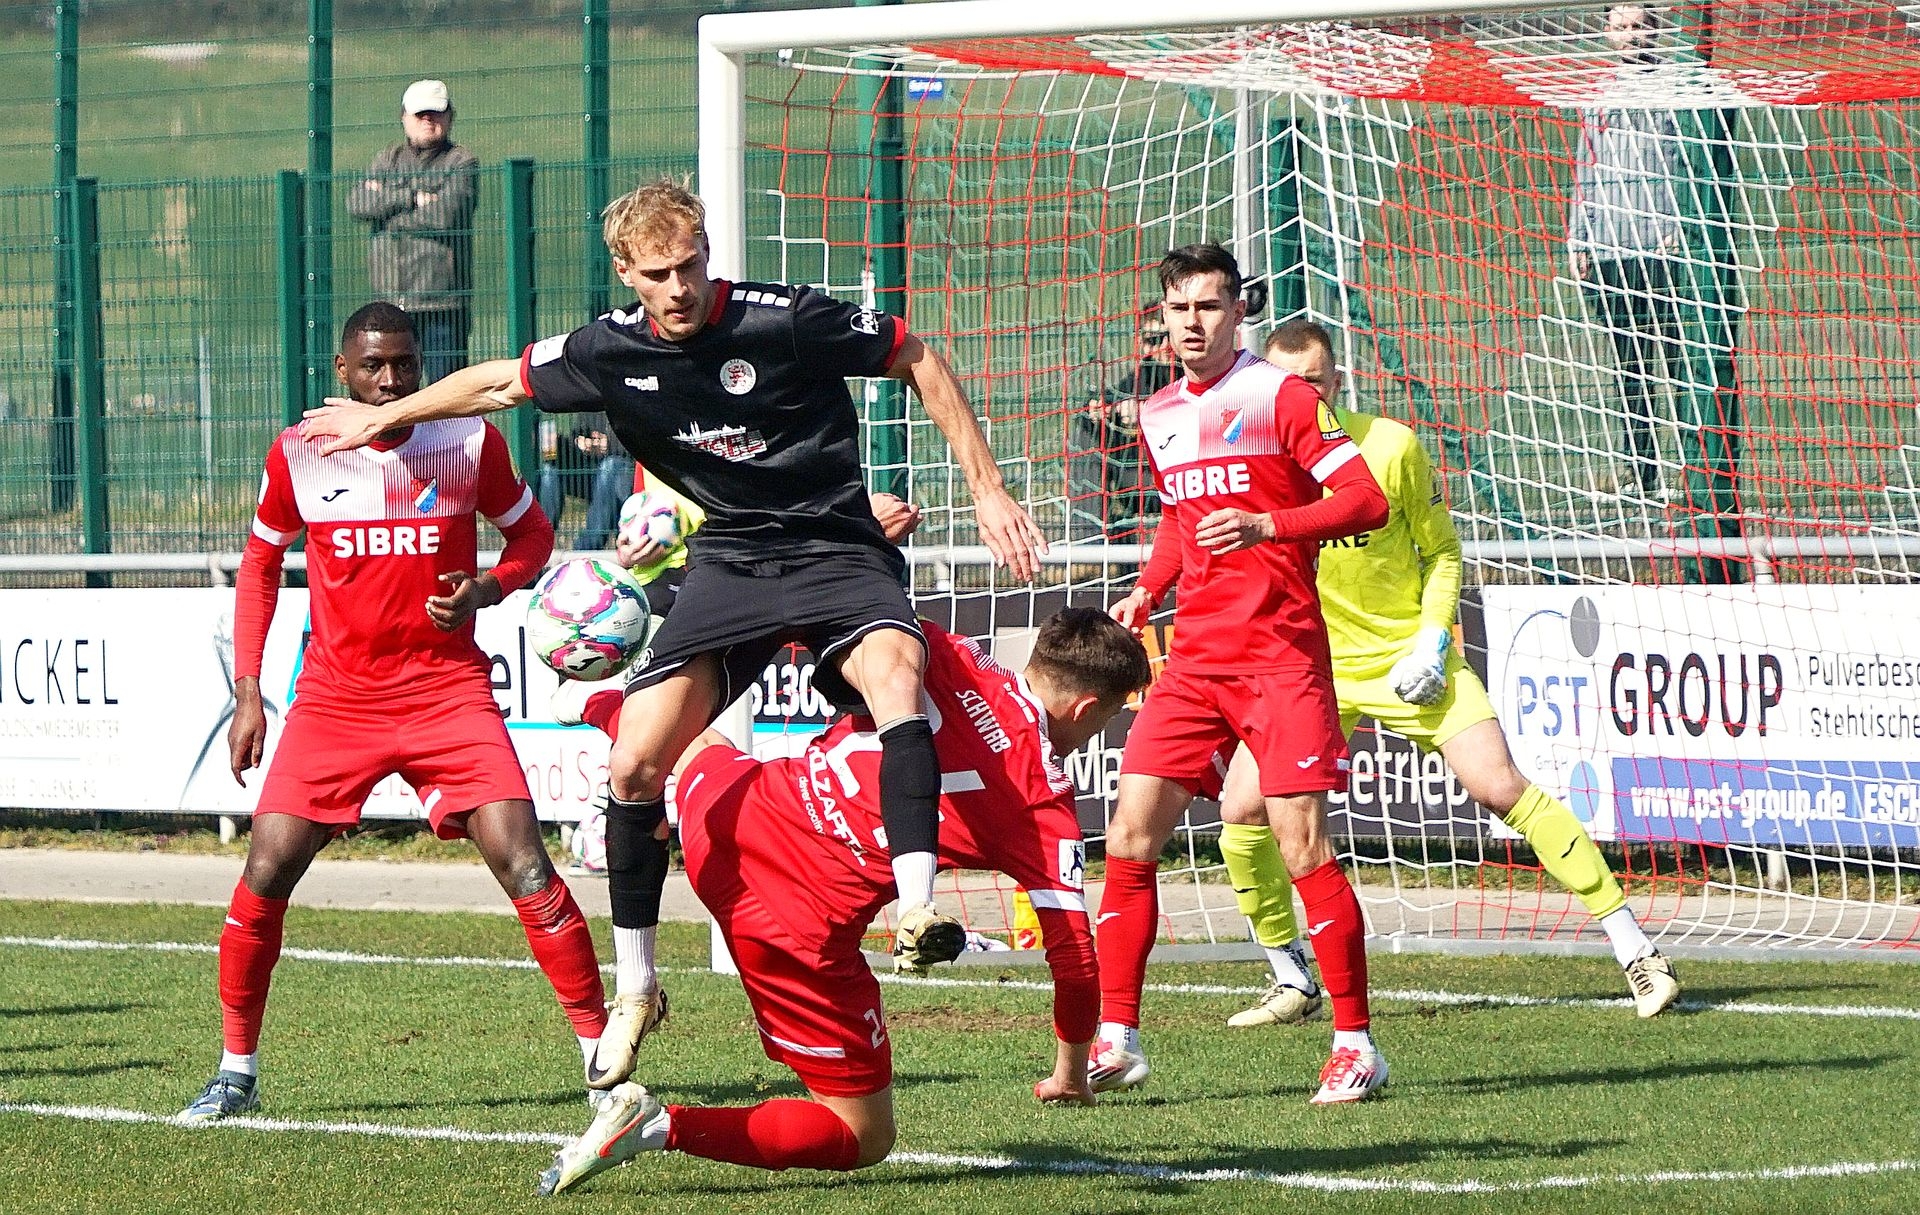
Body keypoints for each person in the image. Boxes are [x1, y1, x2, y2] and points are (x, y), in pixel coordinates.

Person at [298, 178, 1048, 1095]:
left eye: (690, 265)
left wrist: (987, 488)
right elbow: (496, 381)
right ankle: (638, 986)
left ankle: (918, 907)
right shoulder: (609, 350)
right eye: (658, 273)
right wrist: (383, 418)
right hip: (732, 561)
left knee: (897, 677)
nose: (680, 286)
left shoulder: (785, 319)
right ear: (626, 271)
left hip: (836, 545)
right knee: (633, 765)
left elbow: (914, 354)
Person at [536, 609, 1152, 1194]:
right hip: (788, 921)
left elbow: (830, 614)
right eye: (1102, 723)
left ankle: (601, 703)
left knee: (695, 747)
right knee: (862, 1134)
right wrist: (1070, 1073)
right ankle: (655, 1126)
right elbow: (1076, 962)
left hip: (737, 809)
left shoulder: (946, 649)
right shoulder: (1041, 803)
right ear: (1084, 708)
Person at [178, 302, 608, 1121]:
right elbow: (260, 566)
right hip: (337, 700)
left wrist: (488, 587)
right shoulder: (301, 450)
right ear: (343, 371)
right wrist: (248, 694)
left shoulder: (467, 441)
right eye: (373, 365)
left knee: (527, 863)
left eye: (404, 363)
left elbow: (533, 537)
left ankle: (602, 1058)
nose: (390, 378)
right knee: (266, 867)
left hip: (448, 692)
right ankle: (236, 1071)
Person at [1209, 319, 1681, 1034]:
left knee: (1500, 786)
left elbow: (1443, 553)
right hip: (1306, 669)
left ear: (1337, 381)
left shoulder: (1390, 446)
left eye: (1316, 382)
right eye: (1289, 385)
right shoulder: (1251, 466)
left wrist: (1432, 641)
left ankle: (1636, 949)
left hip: (1407, 656)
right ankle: (1290, 975)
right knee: (1240, 810)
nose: (1306, 396)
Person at [1095, 243, 1390, 1106]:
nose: (1193, 323)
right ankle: (1118, 1037)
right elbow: (1179, 521)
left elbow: (1364, 500)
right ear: (1162, 317)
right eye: (1178, 308)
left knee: (1301, 846)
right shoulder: (1157, 412)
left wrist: (1269, 524)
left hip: (1281, 657)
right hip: (1194, 660)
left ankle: (1355, 1043)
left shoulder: (1282, 396)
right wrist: (1149, 587)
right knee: (1129, 837)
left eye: (1210, 306)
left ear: (1239, 311)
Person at [1568, 4, 1686, 501]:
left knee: (1681, 361)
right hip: (1610, 252)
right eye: (1620, 27)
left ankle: (1694, 467)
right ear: (1607, 33)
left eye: (1638, 26)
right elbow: (1586, 167)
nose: (1630, 36)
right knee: (1630, 369)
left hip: (1663, 249)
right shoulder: (1597, 94)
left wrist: (1679, 224)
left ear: (1655, 30)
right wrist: (1578, 238)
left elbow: (1691, 162)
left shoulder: (1679, 88)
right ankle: (1641, 473)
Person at [346, 79, 479, 385]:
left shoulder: (461, 162)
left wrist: (388, 212)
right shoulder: (387, 159)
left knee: (447, 390)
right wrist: (412, 199)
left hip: (441, 303)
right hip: (390, 302)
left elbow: (447, 215)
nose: (428, 120)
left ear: (450, 116)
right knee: (394, 389)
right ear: (404, 117)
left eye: (436, 113)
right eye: (420, 114)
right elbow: (357, 204)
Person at [1065, 312, 1173, 541]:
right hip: (1140, 480)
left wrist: (1148, 412)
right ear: (1141, 342)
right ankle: (1090, 539)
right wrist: (1100, 409)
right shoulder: (1142, 376)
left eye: (1170, 336)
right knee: (1087, 426)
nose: (1165, 346)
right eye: (1154, 340)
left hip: (1188, 478)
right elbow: (1114, 397)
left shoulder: (1199, 372)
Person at [537, 414, 636, 550]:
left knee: (609, 466)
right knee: (549, 471)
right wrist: (579, 442)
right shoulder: (590, 408)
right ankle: (539, 540)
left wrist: (608, 445)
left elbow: (636, 445)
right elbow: (578, 432)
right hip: (589, 472)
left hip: (621, 473)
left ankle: (585, 548)